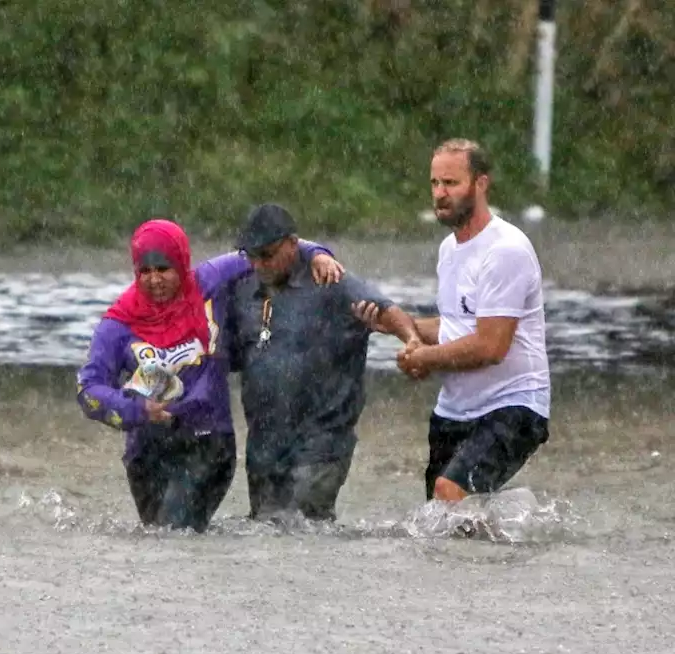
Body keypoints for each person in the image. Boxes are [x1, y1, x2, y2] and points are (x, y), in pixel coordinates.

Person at [76, 219, 344, 532]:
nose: (154, 280)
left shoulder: (211, 281)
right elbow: (89, 389)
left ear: (181, 262)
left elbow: (273, 249)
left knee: (173, 532)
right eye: (145, 272)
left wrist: (318, 255)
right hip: (147, 452)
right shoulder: (119, 324)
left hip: (208, 443)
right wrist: (137, 409)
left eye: (163, 269)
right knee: (158, 538)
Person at [354, 138, 551, 502]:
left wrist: (423, 359)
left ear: (481, 184)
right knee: (441, 523)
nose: (440, 194)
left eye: (451, 183)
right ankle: (514, 520)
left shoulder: (505, 249)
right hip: (455, 408)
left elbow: (491, 346)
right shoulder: (449, 250)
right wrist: (402, 326)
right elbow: (456, 327)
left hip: (514, 405)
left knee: (450, 493)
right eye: (434, 184)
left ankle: (525, 537)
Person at [226, 204, 422, 522]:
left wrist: (413, 343)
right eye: (251, 255)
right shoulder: (243, 285)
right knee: (266, 534)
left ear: (292, 243)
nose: (259, 263)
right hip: (265, 443)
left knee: (297, 526)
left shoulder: (330, 279)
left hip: (323, 440)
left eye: (267, 254)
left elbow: (387, 310)